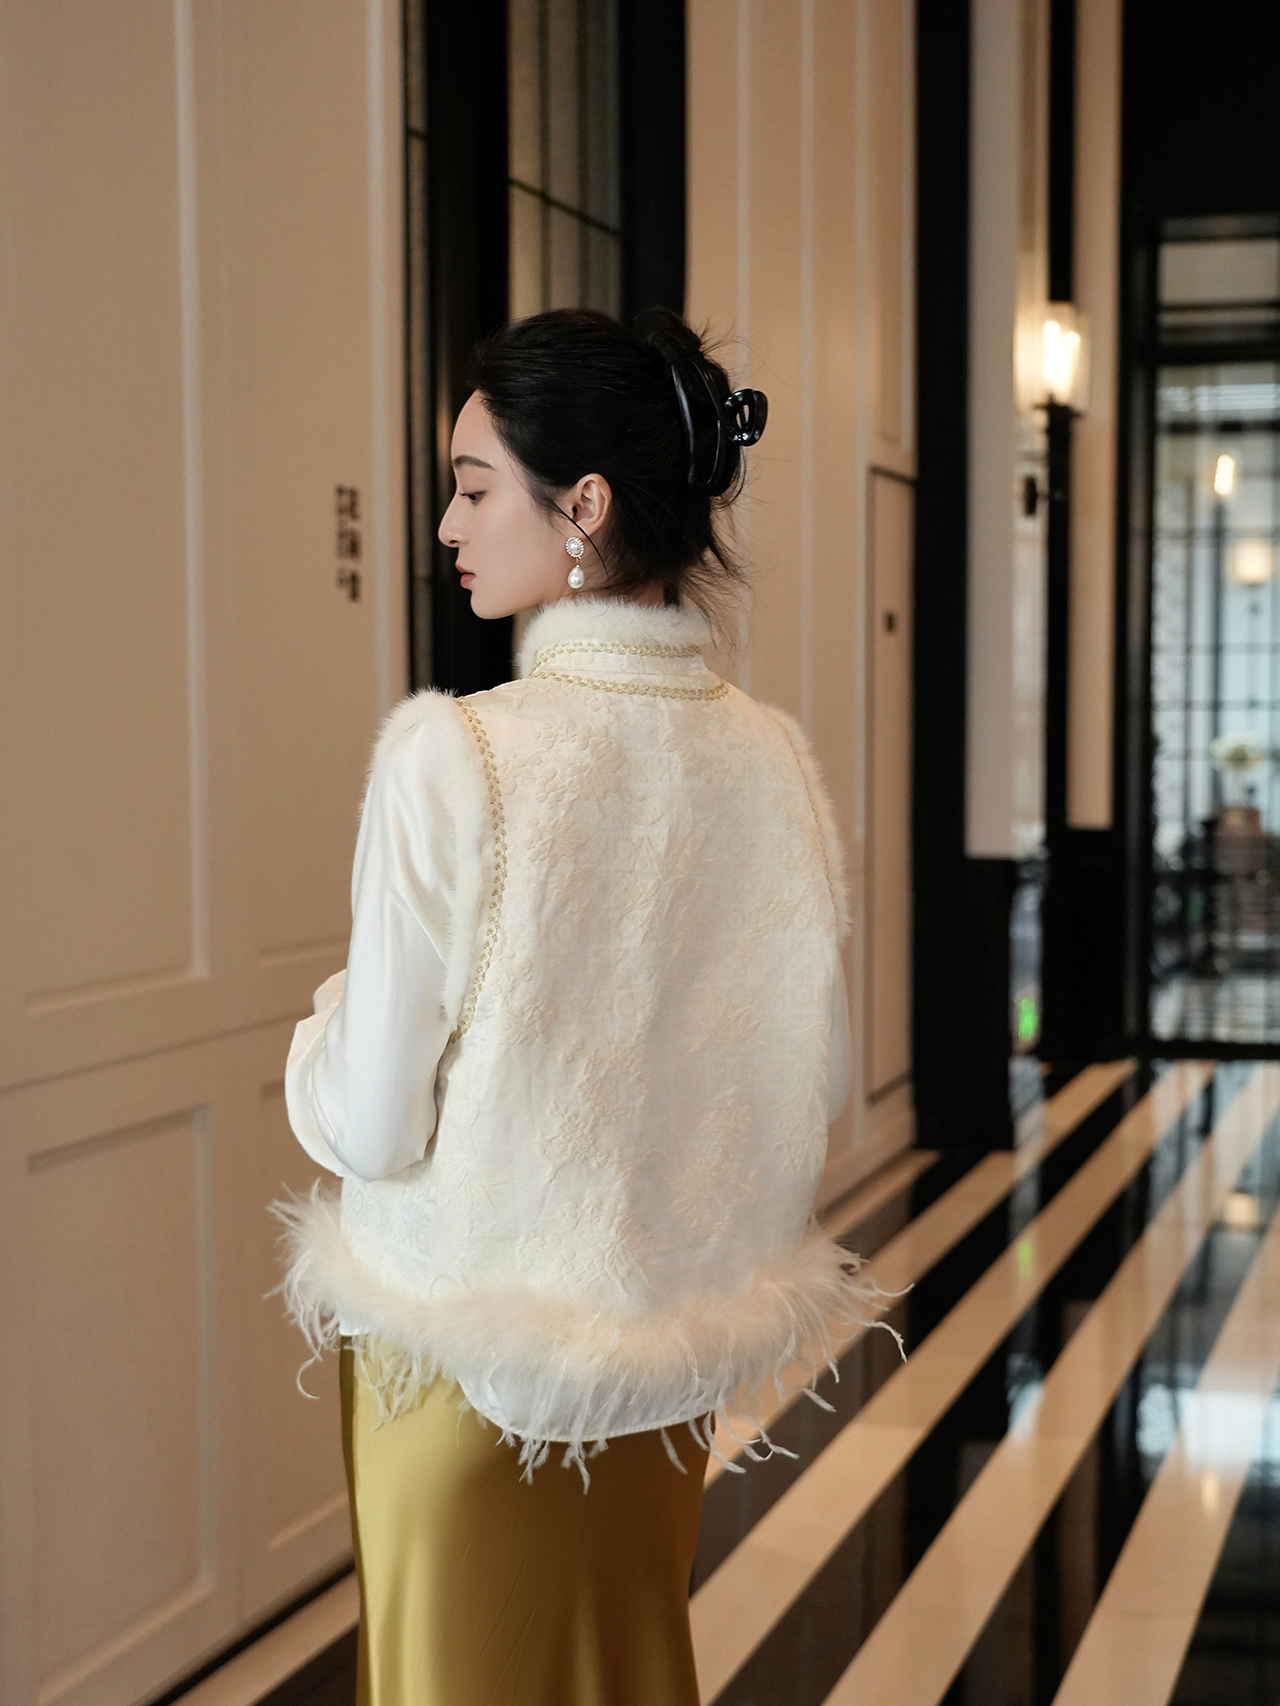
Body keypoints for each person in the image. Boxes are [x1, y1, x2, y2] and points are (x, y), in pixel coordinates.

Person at [279, 306, 867, 1705]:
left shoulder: (456, 756)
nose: (447, 523)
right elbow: (814, 1088)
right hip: (657, 1374)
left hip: (460, 1371)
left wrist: (318, 1032)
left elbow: (370, 1126)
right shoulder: (771, 762)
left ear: (585, 505)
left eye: (475, 486)